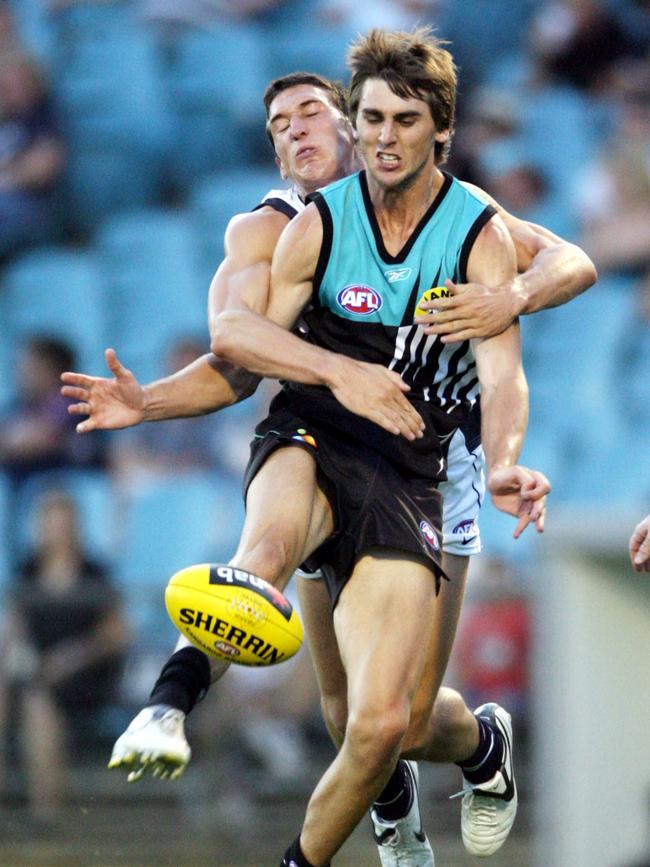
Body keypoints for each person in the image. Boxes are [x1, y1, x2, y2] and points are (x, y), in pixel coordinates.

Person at [61, 61, 595, 866]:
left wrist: (510, 299)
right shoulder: (273, 230)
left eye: (310, 112)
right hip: (322, 441)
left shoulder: (458, 218)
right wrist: (155, 402)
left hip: (433, 465)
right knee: (331, 688)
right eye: (278, 126)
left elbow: (566, 264)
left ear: (353, 124)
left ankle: (480, 745)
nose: (296, 130)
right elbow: (236, 352)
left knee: (403, 724)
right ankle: (178, 706)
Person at [0, 489, 129, 829]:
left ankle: (45, 815)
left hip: (87, 674)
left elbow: (116, 634)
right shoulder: (27, 571)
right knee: (23, 693)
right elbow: (14, 631)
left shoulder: (94, 572)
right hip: (38, 673)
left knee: (37, 701)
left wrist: (71, 657)